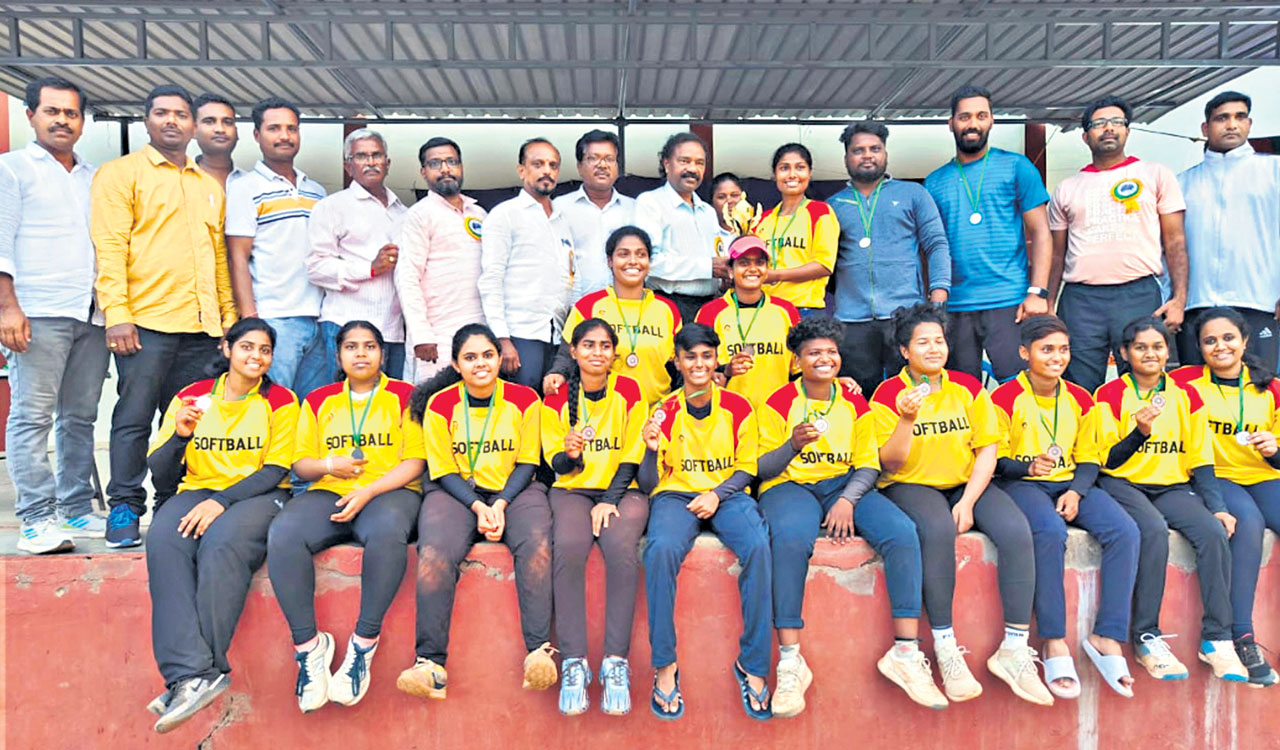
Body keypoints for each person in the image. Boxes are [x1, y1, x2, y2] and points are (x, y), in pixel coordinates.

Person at [757, 316, 940, 713]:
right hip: (791, 485)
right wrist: (791, 445)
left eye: (831, 352)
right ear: (797, 361)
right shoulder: (778, 402)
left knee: (902, 532)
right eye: (814, 353)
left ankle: (905, 653)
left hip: (843, 486)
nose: (824, 359)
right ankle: (791, 661)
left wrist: (848, 500)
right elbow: (763, 468)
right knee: (790, 540)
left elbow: (869, 464)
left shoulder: (856, 401)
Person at [869, 303, 1049, 705]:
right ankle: (946, 647)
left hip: (962, 482)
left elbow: (987, 449)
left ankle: (1014, 650)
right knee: (935, 530)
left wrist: (968, 500)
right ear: (904, 351)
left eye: (939, 340)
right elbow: (890, 462)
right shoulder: (887, 393)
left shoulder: (967, 386)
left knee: (1017, 530)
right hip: (909, 483)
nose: (934, 348)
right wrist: (905, 419)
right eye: (922, 342)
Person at [91, 83, 238, 548]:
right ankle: (125, 507)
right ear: (147, 120)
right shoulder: (120, 175)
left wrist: (228, 321)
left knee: (187, 422)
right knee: (133, 419)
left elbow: (217, 260)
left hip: (201, 328)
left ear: (193, 125)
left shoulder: (207, 186)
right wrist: (117, 314)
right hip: (145, 324)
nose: (171, 121)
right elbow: (110, 249)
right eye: (161, 113)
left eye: (180, 114)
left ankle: (171, 502)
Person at [143, 319, 297, 733]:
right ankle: (189, 674)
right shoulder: (190, 396)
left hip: (260, 495)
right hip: (198, 489)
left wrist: (221, 501)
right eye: (247, 347)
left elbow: (279, 468)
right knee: (163, 538)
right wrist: (179, 436)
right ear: (226, 349)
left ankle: (197, 672)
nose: (256, 357)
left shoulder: (281, 401)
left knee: (222, 543)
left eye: (265, 350)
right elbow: (160, 473)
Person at [267, 321, 425, 713]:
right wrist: (327, 465)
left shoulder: (406, 396)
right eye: (351, 347)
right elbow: (299, 464)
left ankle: (362, 645)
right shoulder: (319, 399)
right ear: (338, 356)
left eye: (369, 346)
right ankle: (309, 648)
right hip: (331, 491)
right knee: (284, 532)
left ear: (382, 354)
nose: (360, 354)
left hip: (390, 492)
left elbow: (416, 461)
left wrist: (369, 490)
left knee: (388, 533)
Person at [398, 324, 556, 699]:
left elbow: (527, 461)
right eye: (470, 357)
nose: (480, 364)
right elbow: (443, 469)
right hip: (456, 492)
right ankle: (430, 664)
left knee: (536, 544)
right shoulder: (440, 404)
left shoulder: (525, 400)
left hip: (514, 489)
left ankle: (538, 652)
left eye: (487, 355)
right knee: (434, 552)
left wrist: (498, 503)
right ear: (456, 364)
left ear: (500, 359)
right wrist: (477, 506)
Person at [991, 314, 1141, 698]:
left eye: (1063, 350)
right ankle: (1054, 640)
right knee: (1049, 531)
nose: (1057, 357)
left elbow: (1090, 457)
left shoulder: (1080, 397)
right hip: (1021, 484)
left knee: (1125, 531)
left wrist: (1076, 491)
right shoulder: (1002, 397)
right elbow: (995, 460)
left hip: (1069, 483)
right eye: (1046, 350)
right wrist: (1027, 466)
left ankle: (1107, 635)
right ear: (1025, 353)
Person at [1093, 316, 1247, 682]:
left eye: (1158, 346)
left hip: (1171, 486)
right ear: (1125, 354)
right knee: (1151, 531)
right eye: (1141, 347)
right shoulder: (1110, 394)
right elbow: (1106, 460)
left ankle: (1217, 639)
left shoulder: (1186, 395)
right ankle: (1147, 636)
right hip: (1124, 482)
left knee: (1212, 532)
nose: (1150, 353)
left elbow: (1201, 459)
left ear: (1169, 352)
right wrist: (1139, 433)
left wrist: (1219, 508)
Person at [639, 323, 772, 720]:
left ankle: (753, 663)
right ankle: (665, 664)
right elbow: (649, 482)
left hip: (726, 493)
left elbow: (748, 468)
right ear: (677, 362)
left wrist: (716, 494)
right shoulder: (662, 410)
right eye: (690, 356)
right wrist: (648, 452)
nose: (699, 364)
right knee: (660, 550)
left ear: (717, 360)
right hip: (675, 495)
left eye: (706, 356)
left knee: (759, 546)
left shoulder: (739, 406)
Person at [0, 76, 108, 553]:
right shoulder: (12, 170)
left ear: (82, 123)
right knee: (31, 416)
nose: (62, 120)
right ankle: (35, 519)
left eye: (71, 113)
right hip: (36, 312)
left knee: (80, 417)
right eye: (52, 111)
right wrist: (8, 307)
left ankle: (76, 509)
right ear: (30, 116)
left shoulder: (93, 176)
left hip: (89, 312)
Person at [540, 318, 648, 716]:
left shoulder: (630, 389)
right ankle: (573, 661)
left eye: (605, 345)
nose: (597, 352)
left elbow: (634, 454)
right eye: (589, 345)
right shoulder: (555, 396)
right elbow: (555, 467)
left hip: (623, 490)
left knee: (621, 549)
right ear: (574, 351)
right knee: (568, 547)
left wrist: (610, 499)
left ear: (614, 352)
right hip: (573, 489)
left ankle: (615, 662)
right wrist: (570, 456)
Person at [1048, 95, 1189, 393]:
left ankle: (1141, 439)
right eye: (1099, 124)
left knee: (1144, 382)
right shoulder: (1067, 188)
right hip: (1081, 300)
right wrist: (1048, 302)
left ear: (1127, 130)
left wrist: (1179, 299)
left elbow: (1175, 241)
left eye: (1116, 122)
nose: (1108, 128)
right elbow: (1057, 253)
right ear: (1086, 136)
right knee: (1079, 387)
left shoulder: (1155, 174)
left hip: (1138, 293)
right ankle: (1087, 442)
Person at [1170, 307, 1280, 686]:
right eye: (1210, 341)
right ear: (1199, 348)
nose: (1220, 347)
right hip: (1213, 477)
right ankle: (1242, 636)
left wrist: (1273, 449)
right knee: (1247, 525)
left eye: (1229, 338)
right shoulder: (1184, 384)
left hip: (1261, 475)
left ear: (1245, 341)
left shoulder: (1270, 385)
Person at [926, 85, 1053, 382]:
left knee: (1019, 388)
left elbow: (1042, 232)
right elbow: (930, 247)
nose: (973, 124)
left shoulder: (1017, 166)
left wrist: (1038, 292)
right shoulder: (934, 182)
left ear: (992, 120)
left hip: (1010, 300)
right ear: (951, 123)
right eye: (964, 117)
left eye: (981, 116)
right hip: (955, 305)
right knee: (962, 391)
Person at [829, 121, 950, 394]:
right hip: (851, 320)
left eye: (875, 148)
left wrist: (938, 296)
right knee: (859, 398)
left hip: (905, 313)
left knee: (914, 394)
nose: (867, 155)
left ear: (885, 153)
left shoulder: (913, 194)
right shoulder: (832, 206)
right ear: (846, 157)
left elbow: (937, 244)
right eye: (858, 150)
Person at [225, 97, 328, 396]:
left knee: (310, 413)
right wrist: (251, 319)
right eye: (274, 128)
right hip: (274, 318)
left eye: (291, 128)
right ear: (257, 135)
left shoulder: (316, 190)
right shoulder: (245, 187)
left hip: (318, 318)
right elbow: (238, 257)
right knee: (272, 406)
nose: (284, 136)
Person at [1177, 92, 1280, 372]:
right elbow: (1169, 249)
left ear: (1249, 123)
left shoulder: (1273, 171)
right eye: (1222, 118)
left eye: (1240, 117)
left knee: (1261, 392)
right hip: (1196, 304)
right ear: (1205, 128)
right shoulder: (1183, 183)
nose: (1232, 125)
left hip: (1259, 302)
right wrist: (1173, 299)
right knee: (1196, 395)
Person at [306, 128, 408, 384]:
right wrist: (370, 268)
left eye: (377, 155)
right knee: (342, 404)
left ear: (388, 163)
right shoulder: (332, 207)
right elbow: (316, 267)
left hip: (392, 330)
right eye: (361, 156)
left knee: (388, 407)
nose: (371, 162)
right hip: (344, 325)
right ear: (348, 166)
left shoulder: (404, 213)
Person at [544, 226, 682, 407]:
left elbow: (680, 366)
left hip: (655, 415)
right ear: (610, 261)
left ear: (649, 262)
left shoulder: (667, 310)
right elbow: (567, 354)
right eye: (623, 254)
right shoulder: (589, 306)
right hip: (603, 415)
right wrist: (557, 373)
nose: (633, 261)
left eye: (641, 255)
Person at [478, 138, 576, 389]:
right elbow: (491, 278)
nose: (547, 171)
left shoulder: (562, 219)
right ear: (522, 170)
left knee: (552, 410)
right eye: (538, 164)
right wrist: (502, 338)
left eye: (553, 165)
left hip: (556, 334)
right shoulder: (505, 214)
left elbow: (570, 276)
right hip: (520, 335)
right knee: (522, 410)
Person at [395, 136, 487, 382]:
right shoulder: (419, 215)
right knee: (432, 408)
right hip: (437, 337)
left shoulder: (479, 213)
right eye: (435, 164)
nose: (445, 169)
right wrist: (421, 335)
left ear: (461, 167)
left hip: (479, 332)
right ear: (423, 172)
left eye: (451, 161)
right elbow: (407, 277)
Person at [695, 236, 800, 409]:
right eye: (744, 263)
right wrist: (726, 370)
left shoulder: (786, 311)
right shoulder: (710, 312)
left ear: (767, 269)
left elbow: (799, 368)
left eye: (759, 262)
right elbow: (698, 369)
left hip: (777, 413)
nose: (752, 269)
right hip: (729, 413)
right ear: (730, 270)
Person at [634, 133, 727, 325]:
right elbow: (649, 263)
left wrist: (725, 276)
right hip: (668, 305)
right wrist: (708, 267)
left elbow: (717, 258)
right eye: (685, 161)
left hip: (710, 306)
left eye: (700, 163)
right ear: (667, 164)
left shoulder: (708, 212)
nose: (692, 169)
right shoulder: (650, 203)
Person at [750, 143, 839, 316]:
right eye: (784, 168)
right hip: (767, 309)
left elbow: (824, 265)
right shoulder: (761, 219)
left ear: (809, 174)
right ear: (774, 175)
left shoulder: (820, 212)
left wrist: (776, 275)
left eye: (800, 167)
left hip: (805, 309)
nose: (792, 175)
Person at [554, 129, 636, 301]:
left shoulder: (635, 209)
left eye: (609, 159)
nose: (602, 165)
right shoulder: (559, 208)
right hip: (576, 307)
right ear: (579, 166)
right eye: (593, 158)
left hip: (625, 308)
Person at [191, 92, 245, 188]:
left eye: (227, 122)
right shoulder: (179, 181)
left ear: (237, 132)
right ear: (193, 130)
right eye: (209, 122)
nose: (220, 129)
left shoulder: (253, 184)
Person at [709, 172, 746, 257]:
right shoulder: (707, 234)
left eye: (735, 195)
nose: (729, 201)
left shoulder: (756, 230)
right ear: (712, 203)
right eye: (721, 197)